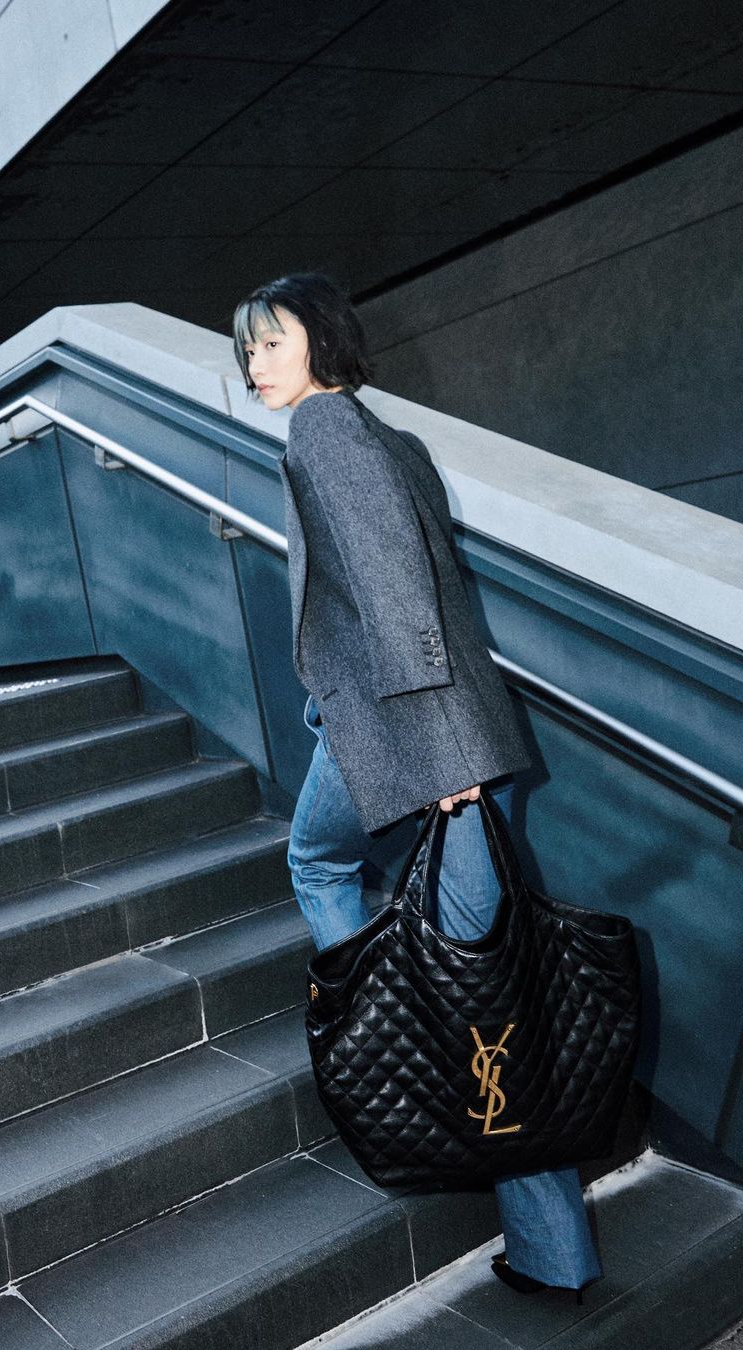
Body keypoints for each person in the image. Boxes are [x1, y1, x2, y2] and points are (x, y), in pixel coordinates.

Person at [231, 271, 604, 1302]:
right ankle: (554, 1246)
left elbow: (399, 587)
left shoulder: (323, 432)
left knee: (444, 973)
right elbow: (416, 586)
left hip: (428, 740)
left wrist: (441, 757)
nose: (254, 363)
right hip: (439, 732)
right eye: (247, 348)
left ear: (321, 339)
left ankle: (393, 1030)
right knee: (481, 986)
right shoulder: (390, 437)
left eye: (271, 341)